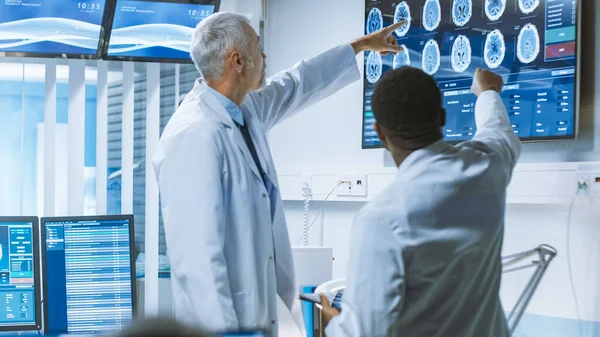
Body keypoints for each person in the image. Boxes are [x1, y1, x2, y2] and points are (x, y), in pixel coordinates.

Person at [151, 11, 406, 337]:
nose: (266, 55)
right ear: (238, 61)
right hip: (222, 326)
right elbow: (198, 264)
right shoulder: (192, 135)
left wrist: (359, 46)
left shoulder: (244, 109)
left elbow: (298, 83)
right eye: (260, 47)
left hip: (260, 317)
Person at [319, 67, 522, 337]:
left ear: (379, 132)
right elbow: (498, 130)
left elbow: (364, 332)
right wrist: (487, 91)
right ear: (441, 117)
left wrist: (334, 323)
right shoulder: (487, 167)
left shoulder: (381, 219)